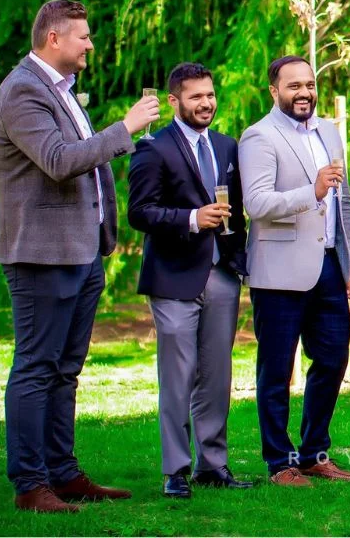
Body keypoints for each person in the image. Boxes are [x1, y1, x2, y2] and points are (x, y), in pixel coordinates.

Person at [0, 0, 157, 512]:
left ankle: (63, 474)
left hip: (82, 253)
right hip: (41, 256)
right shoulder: (23, 91)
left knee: (65, 370)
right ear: (54, 39)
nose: (90, 44)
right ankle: (30, 484)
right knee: (37, 368)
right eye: (83, 36)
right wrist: (124, 129)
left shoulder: (61, 93)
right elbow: (59, 162)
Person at [126, 62, 253, 498]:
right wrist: (192, 219)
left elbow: (238, 211)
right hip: (174, 278)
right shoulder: (153, 148)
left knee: (217, 376)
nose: (207, 103)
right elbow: (139, 212)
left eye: (211, 95)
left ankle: (213, 465)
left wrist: (239, 263)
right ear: (175, 101)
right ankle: (176, 470)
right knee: (178, 376)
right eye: (196, 97)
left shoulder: (227, 145)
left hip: (221, 275)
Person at [239, 55, 350, 486]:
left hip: (329, 264)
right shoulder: (259, 136)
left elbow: (342, 201)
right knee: (275, 369)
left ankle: (314, 453)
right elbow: (256, 204)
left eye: (309, 84)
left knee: (332, 358)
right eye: (294, 86)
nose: (304, 93)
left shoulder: (329, 130)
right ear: (274, 92)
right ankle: (279, 461)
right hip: (279, 270)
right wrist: (308, 191)